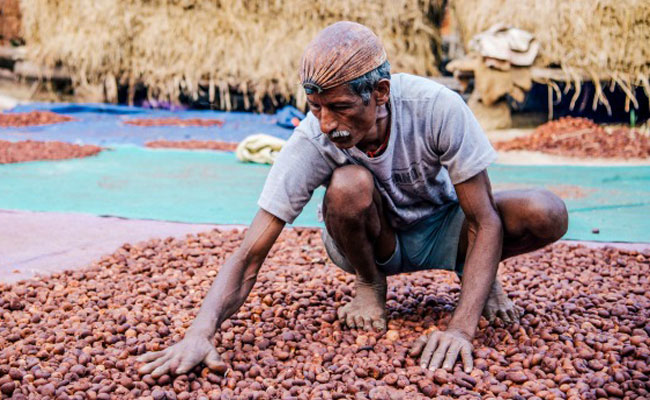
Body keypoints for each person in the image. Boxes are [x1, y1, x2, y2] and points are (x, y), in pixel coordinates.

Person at [139, 21, 568, 377]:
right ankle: (369, 284)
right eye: (315, 107)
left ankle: (476, 273)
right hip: (372, 239)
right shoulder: (312, 139)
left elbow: (483, 220)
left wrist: (460, 329)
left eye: (341, 107)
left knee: (546, 211)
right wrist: (201, 330)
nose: (327, 124)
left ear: (380, 93)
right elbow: (251, 252)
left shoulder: (436, 107)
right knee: (347, 184)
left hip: (443, 226)